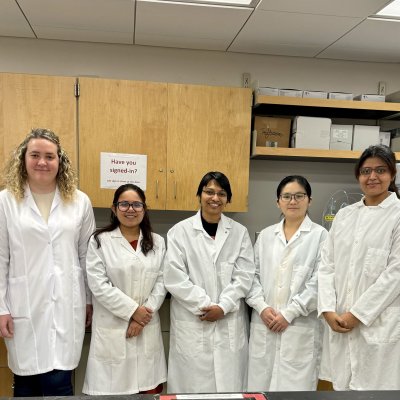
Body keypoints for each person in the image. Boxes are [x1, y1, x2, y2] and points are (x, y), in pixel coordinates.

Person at [0, 128, 95, 396]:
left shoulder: (79, 201)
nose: (42, 162)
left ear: (59, 161)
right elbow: (0, 257)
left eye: (49, 156)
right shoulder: (6, 201)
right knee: (26, 383)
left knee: (60, 383)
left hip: (68, 302)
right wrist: (1, 308)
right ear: (23, 159)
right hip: (23, 304)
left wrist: (89, 300)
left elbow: (86, 256)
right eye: (35, 155)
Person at [164, 171, 255, 393]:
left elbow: (244, 275)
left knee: (230, 389)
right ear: (199, 194)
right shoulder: (179, 232)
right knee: (192, 389)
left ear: (228, 199)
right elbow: (174, 278)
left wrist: (222, 307)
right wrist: (205, 305)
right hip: (194, 320)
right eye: (209, 192)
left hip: (228, 319)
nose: (215, 198)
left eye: (221, 193)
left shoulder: (239, 232)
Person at [318, 144, 400, 390]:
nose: (372, 177)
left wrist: (358, 315)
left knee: (377, 390)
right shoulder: (345, 216)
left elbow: (395, 274)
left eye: (380, 170)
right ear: (357, 175)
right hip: (339, 321)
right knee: (342, 388)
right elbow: (326, 266)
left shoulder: (397, 215)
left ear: (392, 174)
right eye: (366, 171)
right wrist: (327, 309)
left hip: (377, 324)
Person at [83, 183, 167, 395]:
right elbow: (99, 285)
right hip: (114, 329)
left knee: (149, 390)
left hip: (146, 328)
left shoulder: (158, 242)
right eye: (124, 204)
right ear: (114, 209)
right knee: (114, 392)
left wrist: (142, 316)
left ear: (144, 209)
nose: (131, 209)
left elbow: (162, 280)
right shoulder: (99, 241)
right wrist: (133, 311)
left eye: (137, 204)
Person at [246, 175, 327, 391]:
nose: (293, 201)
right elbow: (251, 276)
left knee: (295, 392)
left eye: (299, 196)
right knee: (259, 389)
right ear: (278, 201)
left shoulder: (321, 236)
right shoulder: (265, 236)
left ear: (309, 200)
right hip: (265, 323)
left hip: (299, 327)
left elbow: (320, 282)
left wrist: (289, 313)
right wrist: (262, 308)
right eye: (287, 196)